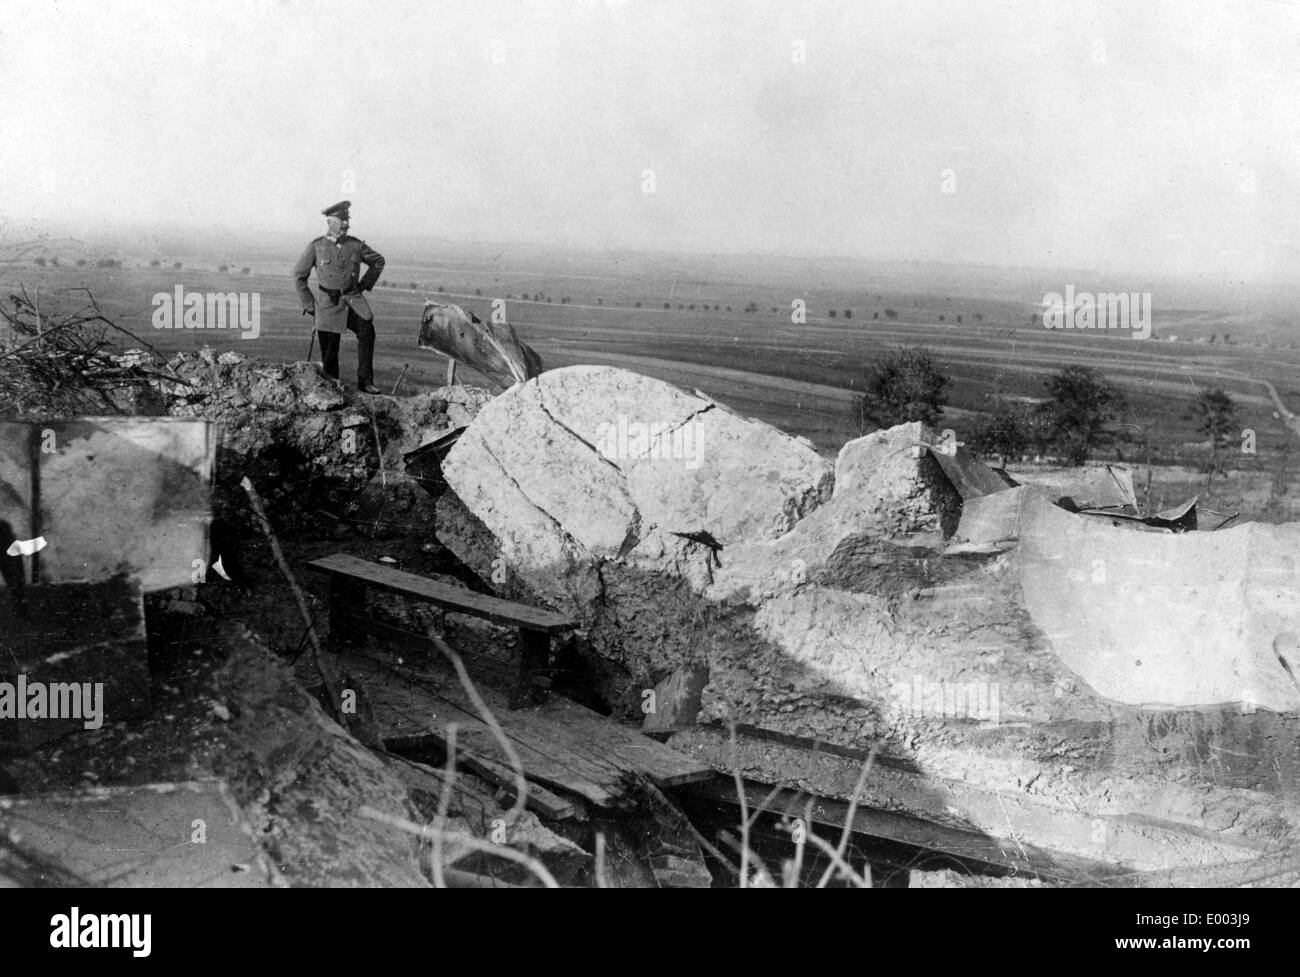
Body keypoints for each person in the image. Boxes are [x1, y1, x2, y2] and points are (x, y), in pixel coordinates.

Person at [293, 200, 385, 393]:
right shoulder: (317, 246)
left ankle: (365, 382)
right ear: (330, 222)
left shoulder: (355, 245)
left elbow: (378, 261)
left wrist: (363, 285)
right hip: (327, 305)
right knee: (330, 349)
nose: (345, 224)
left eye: (346, 220)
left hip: (353, 301)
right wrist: (310, 305)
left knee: (367, 331)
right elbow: (299, 275)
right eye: (341, 220)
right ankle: (333, 386)